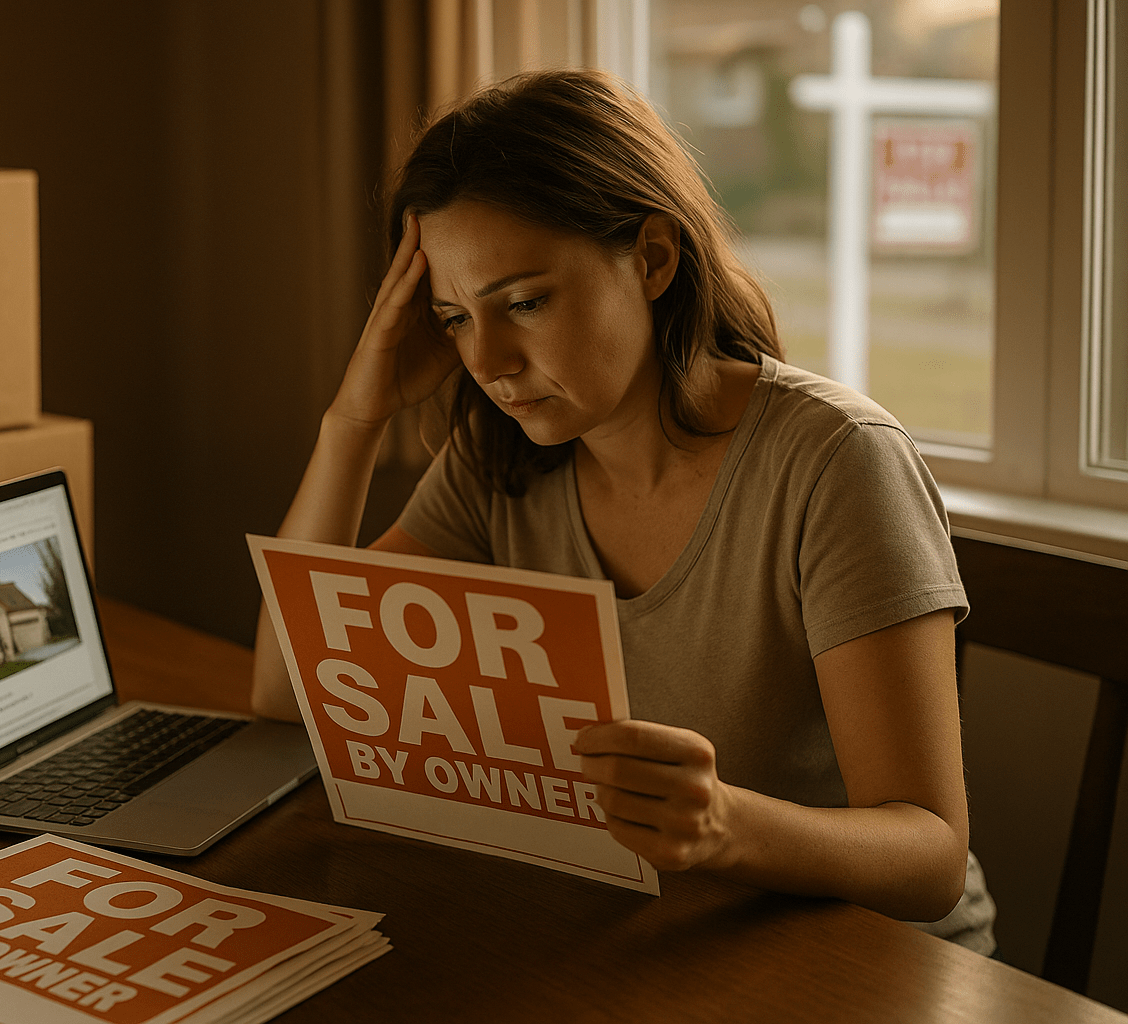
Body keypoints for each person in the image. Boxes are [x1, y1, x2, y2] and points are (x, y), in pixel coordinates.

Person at [250, 68, 995, 953]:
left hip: (867, 960)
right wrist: (354, 420)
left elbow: (930, 858)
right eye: (454, 319)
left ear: (652, 258)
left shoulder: (836, 460)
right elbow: (286, 695)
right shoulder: (499, 461)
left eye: (525, 303)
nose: (487, 362)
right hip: (664, 936)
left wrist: (723, 824)